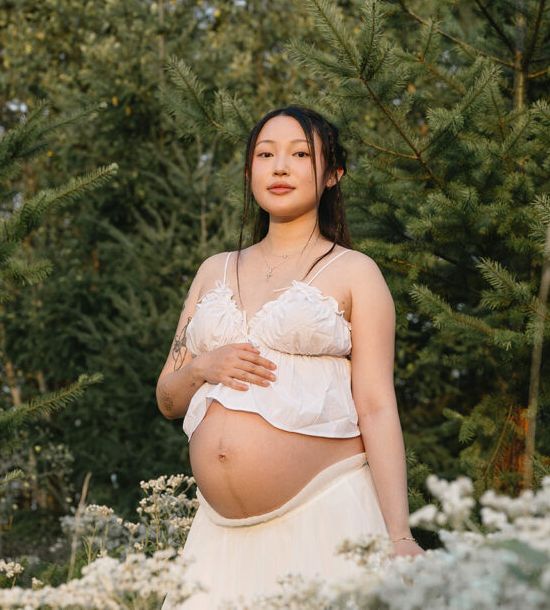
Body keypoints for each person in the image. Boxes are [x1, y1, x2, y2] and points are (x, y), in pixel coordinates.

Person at [156, 106, 424, 608]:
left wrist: (399, 536)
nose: (279, 167)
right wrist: (201, 368)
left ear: (331, 175)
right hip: (219, 542)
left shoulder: (355, 272)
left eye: (300, 154)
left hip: (325, 520)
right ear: (248, 172)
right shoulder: (213, 270)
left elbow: (376, 406)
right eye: (265, 154)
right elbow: (168, 398)